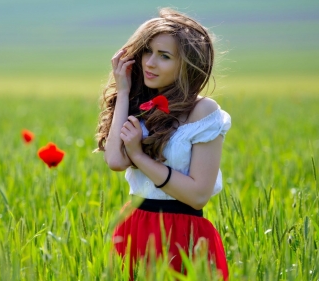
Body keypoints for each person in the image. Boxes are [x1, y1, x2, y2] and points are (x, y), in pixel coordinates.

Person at [95, 7, 231, 280]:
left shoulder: (203, 112)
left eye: (164, 56)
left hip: (184, 234)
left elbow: (197, 195)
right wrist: (123, 92)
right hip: (135, 228)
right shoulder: (140, 105)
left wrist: (141, 157)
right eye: (148, 51)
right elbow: (116, 161)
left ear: (188, 65)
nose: (150, 63)